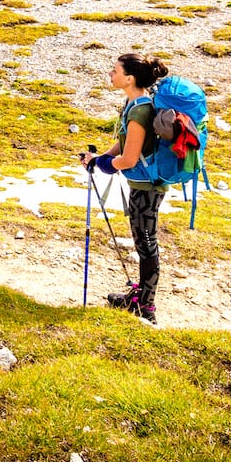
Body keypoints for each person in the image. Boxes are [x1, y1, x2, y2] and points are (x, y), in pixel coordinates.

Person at [78, 51, 171, 323]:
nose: (110, 74)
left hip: (148, 185)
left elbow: (129, 158)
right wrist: (99, 158)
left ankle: (146, 307)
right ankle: (141, 297)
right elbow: (124, 145)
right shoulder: (134, 104)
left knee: (146, 241)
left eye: (115, 71)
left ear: (129, 78)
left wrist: (107, 165)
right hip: (142, 182)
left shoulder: (140, 110)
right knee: (143, 238)